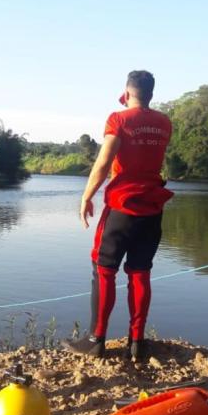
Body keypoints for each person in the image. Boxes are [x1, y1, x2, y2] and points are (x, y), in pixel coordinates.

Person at [63, 70, 173, 361]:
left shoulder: (118, 119)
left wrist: (86, 196)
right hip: (152, 209)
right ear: (151, 92)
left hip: (123, 207)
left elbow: (104, 161)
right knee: (140, 272)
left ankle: (96, 340)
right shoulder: (164, 123)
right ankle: (137, 342)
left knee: (104, 270)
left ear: (126, 91)